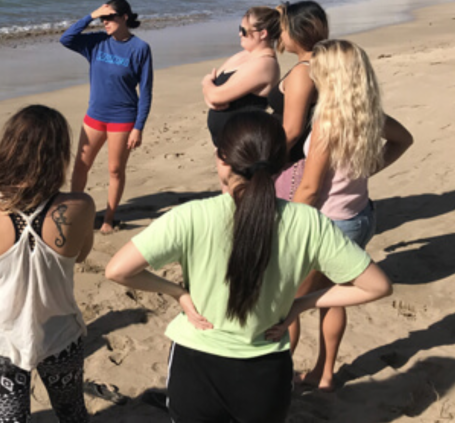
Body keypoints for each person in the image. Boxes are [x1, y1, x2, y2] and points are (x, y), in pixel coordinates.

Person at [104, 112, 392, 423]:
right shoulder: (309, 222)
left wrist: (178, 293)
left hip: (196, 366)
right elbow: (377, 286)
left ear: (221, 159)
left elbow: (118, 270)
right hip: (265, 372)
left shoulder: (191, 216)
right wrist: (302, 304)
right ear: (281, 165)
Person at [289, 39, 414, 391]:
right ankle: (324, 374)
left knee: (288, 302)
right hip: (359, 216)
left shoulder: (326, 123)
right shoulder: (367, 113)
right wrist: (366, 170)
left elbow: (309, 188)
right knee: (333, 295)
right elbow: (404, 139)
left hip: (329, 223)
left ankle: (276, 376)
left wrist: (286, 225)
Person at [0, 105, 95, 423]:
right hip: (60, 334)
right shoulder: (81, 205)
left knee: (11, 419)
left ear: (8, 148)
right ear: (59, 154)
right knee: (72, 413)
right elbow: (80, 256)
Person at [60, 0, 153, 235]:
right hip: (95, 115)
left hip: (123, 118)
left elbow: (146, 92)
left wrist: (138, 127)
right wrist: (90, 16)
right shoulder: (97, 42)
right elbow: (66, 39)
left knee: (115, 170)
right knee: (81, 166)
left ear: (124, 18)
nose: (105, 22)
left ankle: (108, 219)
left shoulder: (140, 49)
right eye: (103, 18)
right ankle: (75, 214)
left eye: (109, 17)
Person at [270, 0, 329, 199]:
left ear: (298, 31)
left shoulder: (303, 72)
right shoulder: (325, 63)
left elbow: (292, 130)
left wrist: (267, 163)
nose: (280, 35)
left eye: (283, 30)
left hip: (291, 160)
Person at [202, 7, 280, 146]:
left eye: (244, 30)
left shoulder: (265, 64)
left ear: (262, 34)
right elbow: (213, 92)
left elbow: (215, 94)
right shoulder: (243, 55)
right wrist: (210, 94)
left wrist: (206, 83)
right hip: (226, 141)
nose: (239, 34)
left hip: (243, 144)